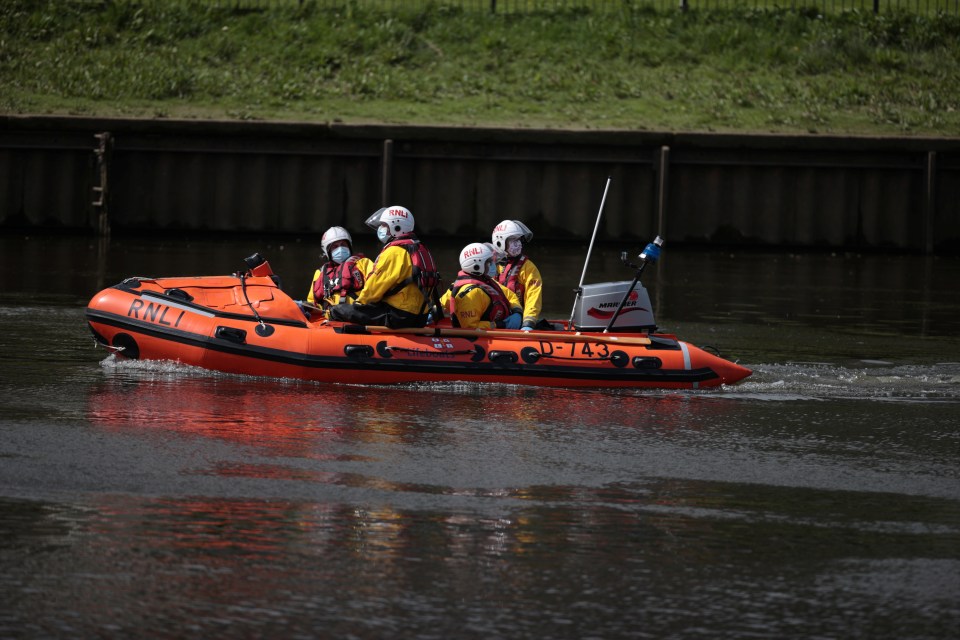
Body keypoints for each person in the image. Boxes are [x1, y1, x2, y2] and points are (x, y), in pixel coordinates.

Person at [328, 205, 439, 328]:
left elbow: (374, 288)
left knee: (338, 310)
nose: (380, 229)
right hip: (420, 317)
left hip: (398, 316)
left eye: (384, 225)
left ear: (396, 227)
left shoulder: (393, 252)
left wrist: (358, 305)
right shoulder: (422, 249)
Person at [440, 242, 522, 330]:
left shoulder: (487, 283)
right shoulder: (471, 294)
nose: (493, 266)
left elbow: (509, 295)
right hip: (480, 338)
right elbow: (470, 327)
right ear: (476, 266)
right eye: (489, 262)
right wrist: (500, 324)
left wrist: (517, 312)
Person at [306, 226, 374, 315]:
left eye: (343, 244)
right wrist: (309, 307)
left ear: (349, 246)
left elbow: (375, 288)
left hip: (356, 316)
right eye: (335, 246)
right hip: (327, 320)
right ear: (327, 251)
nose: (340, 248)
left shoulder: (364, 263)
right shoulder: (320, 272)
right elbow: (312, 302)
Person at [491, 219, 543, 331]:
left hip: (519, 321)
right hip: (493, 321)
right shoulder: (488, 265)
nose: (518, 243)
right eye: (513, 240)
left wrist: (528, 323)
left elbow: (533, 297)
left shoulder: (528, 268)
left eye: (519, 239)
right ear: (500, 242)